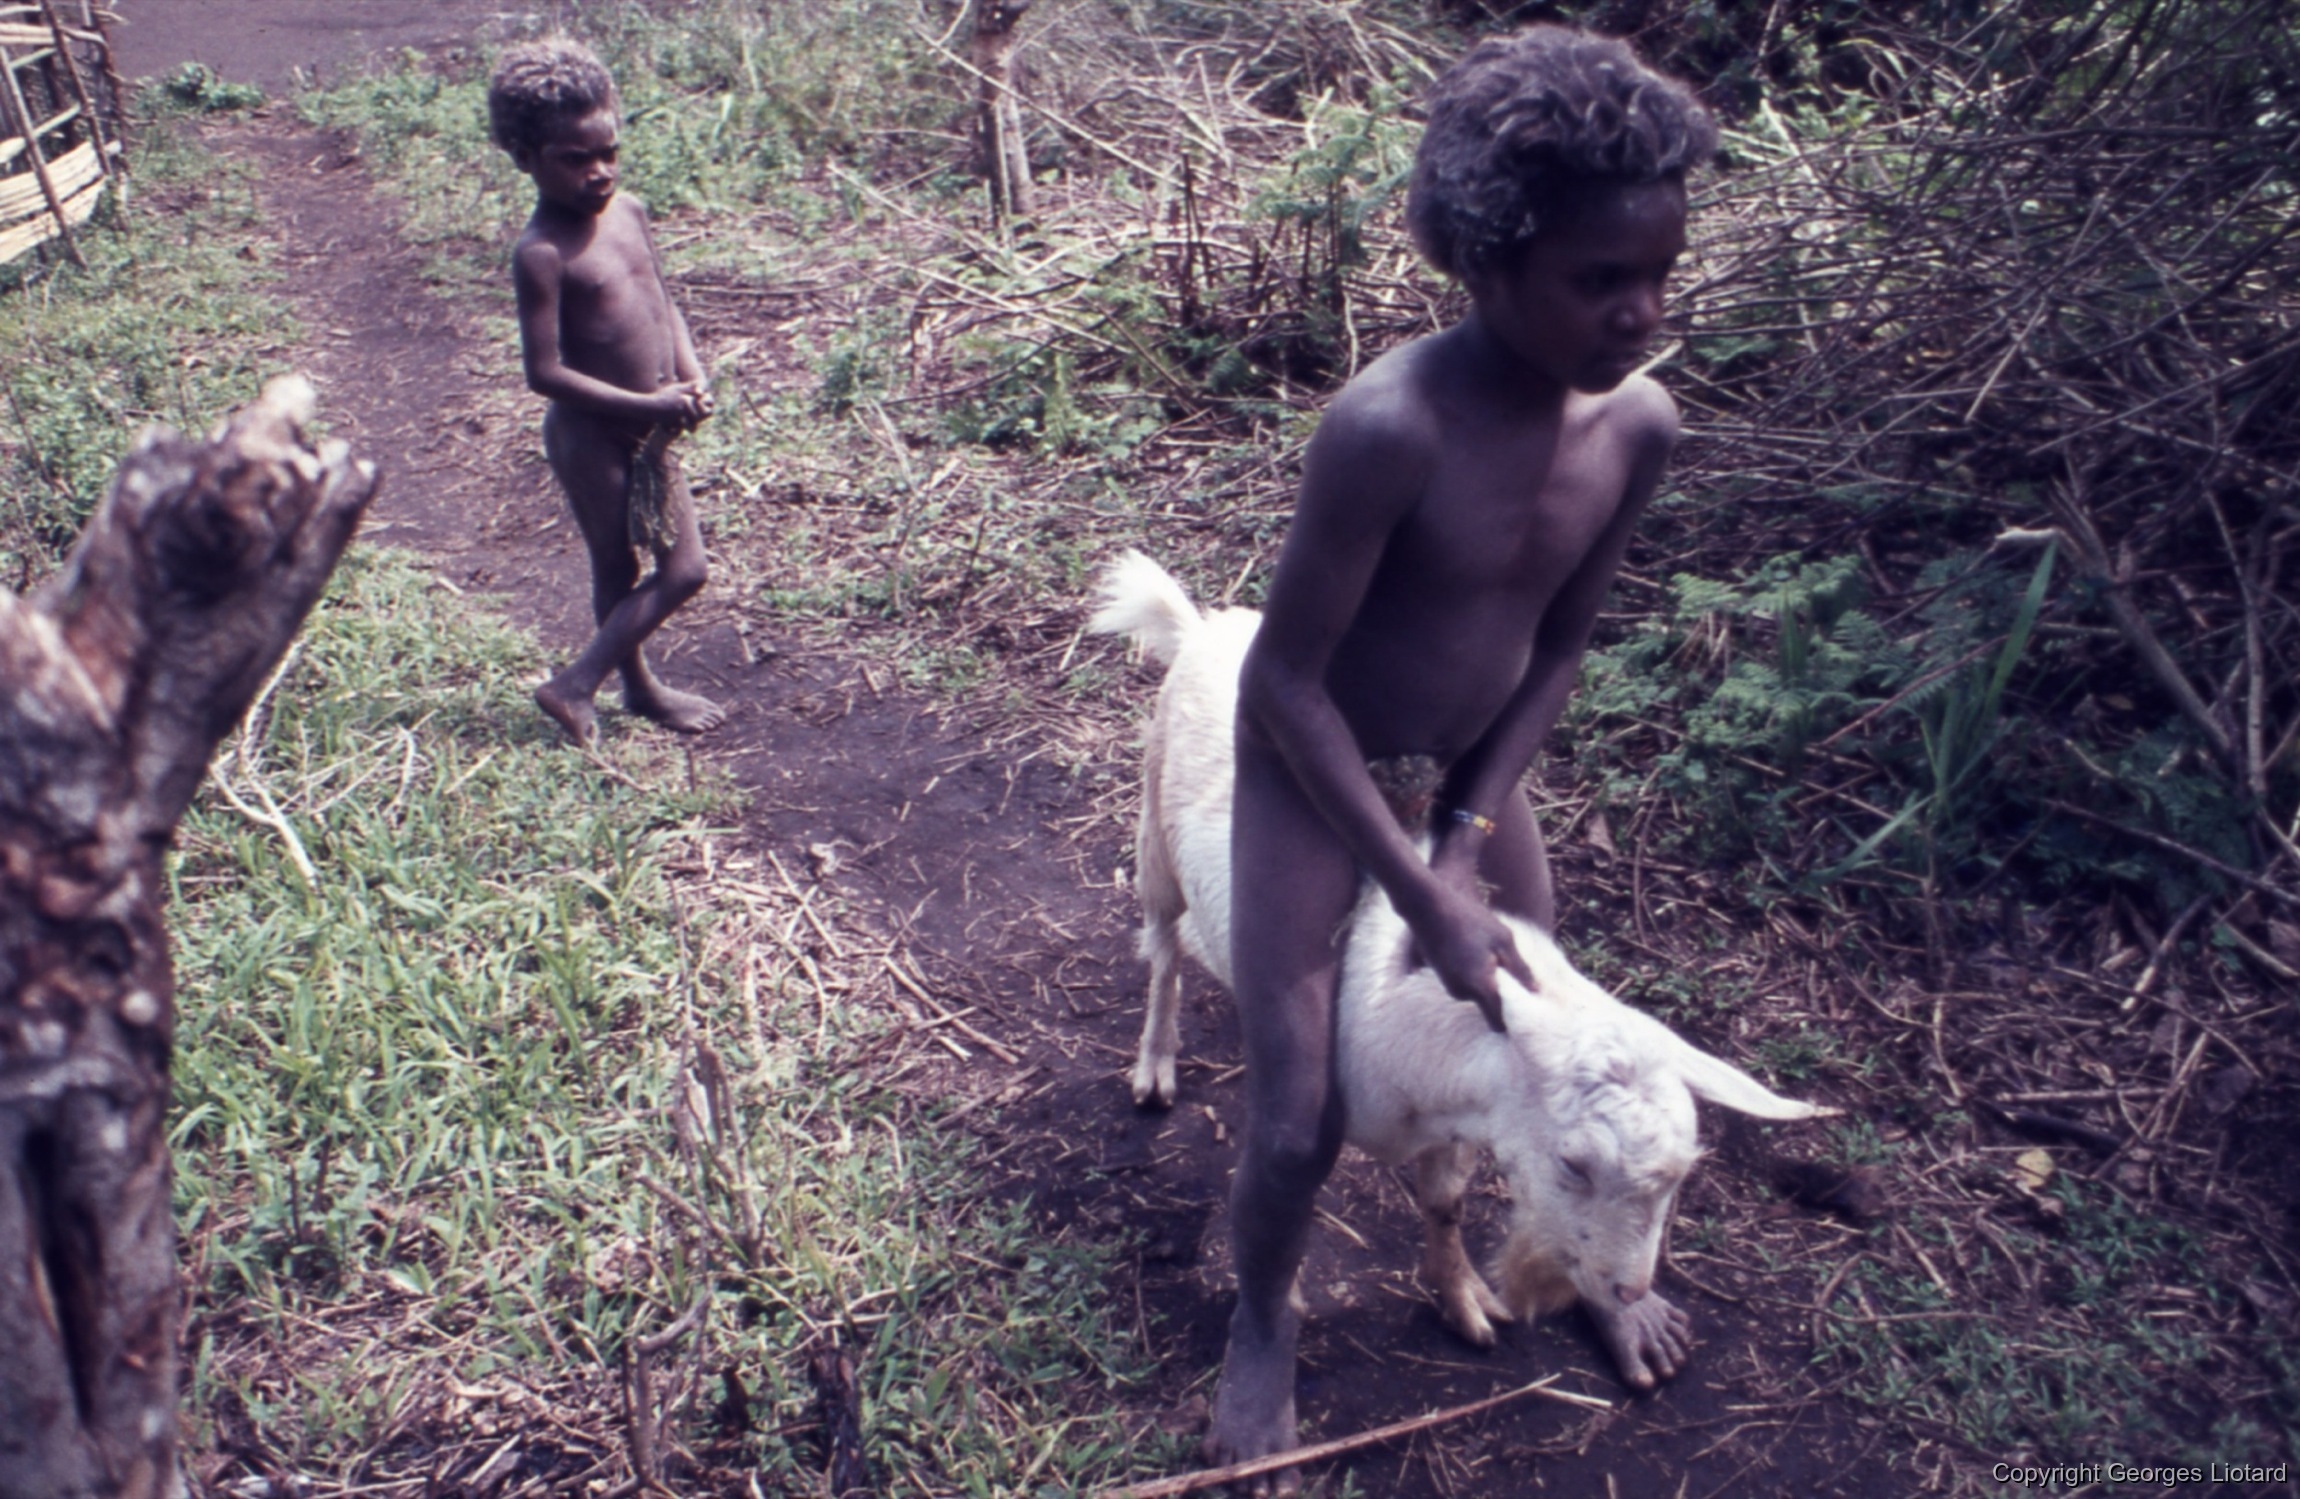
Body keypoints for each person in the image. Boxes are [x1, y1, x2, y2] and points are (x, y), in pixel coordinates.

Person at [1210, 24, 1716, 1487]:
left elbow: (1556, 645)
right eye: (1599, 279)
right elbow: (1284, 679)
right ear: (1488, 260)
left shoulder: (1637, 427)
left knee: (1565, 1059)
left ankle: (1590, 1265)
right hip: (1309, 762)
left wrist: (1466, 833)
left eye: (1659, 274)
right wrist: (1415, 884)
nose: (1639, 311)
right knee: (1297, 1116)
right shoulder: (1390, 427)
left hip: (1469, 766)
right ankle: (1262, 1313)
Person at [488, 37, 725, 747]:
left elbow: (662, 301)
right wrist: (651, 405)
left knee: (673, 566)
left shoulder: (631, 212)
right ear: (524, 157)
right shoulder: (541, 253)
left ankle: (627, 690)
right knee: (646, 568)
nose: (600, 172)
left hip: (652, 427)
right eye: (575, 159)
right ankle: (585, 684)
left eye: (609, 152)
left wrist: (690, 374)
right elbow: (544, 373)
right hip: (589, 434)